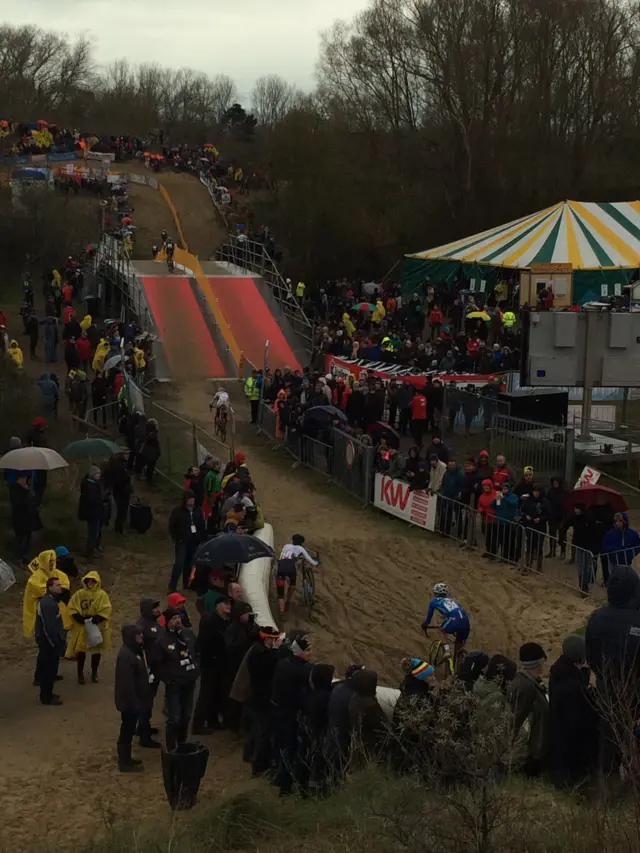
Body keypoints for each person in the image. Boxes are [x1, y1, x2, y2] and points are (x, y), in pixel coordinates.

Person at [547, 634, 598, 789]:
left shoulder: (559, 672)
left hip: (558, 742)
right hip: (572, 749)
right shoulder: (574, 687)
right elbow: (582, 717)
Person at [271, 630, 313, 795]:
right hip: (292, 713)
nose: (311, 654)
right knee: (292, 749)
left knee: (282, 746)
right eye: (308, 651)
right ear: (301, 653)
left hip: (280, 710)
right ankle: (287, 785)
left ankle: (281, 779)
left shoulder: (283, 664)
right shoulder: (302, 670)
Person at [152, 607, 200, 750]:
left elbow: (197, 651)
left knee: (186, 715)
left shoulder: (188, 634)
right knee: (174, 717)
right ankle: (171, 747)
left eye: (178, 617)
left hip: (189, 681)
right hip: (174, 684)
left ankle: (182, 743)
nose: (178, 620)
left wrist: (196, 668)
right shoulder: (162, 641)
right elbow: (156, 663)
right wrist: (167, 679)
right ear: (167, 622)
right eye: (173, 619)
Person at [507, 642, 549, 776]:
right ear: (536, 664)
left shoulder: (530, 682)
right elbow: (516, 720)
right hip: (527, 755)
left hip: (532, 751)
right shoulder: (525, 687)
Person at [192, 595, 232, 734]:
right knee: (206, 694)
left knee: (217, 693)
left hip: (220, 662)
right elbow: (204, 642)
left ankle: (212, 720)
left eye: (229, 604)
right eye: (225, 603)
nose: (228, 606)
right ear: (217, 606)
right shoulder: (210, 621)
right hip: (210, 663)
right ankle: (198, 724)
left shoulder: (225, 621)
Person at [114, 625, 151, 772]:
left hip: (133, 700)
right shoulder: (127, 655)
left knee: (128, 730)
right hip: (129, 702)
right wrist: (134, 702)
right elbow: (126, 683)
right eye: (138, 635)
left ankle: (126, 758)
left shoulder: (133, 652)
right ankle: (124, 762)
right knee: (127, 730)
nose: (141, 637)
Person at [66, 571, 112, 684]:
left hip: (96, 626)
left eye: (93, 581)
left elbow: (107, 608)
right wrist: (78, 618)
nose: (91, 583)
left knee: (96, 650)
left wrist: (98, 617)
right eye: (88, 581)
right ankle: (80, 675)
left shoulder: (102, 594)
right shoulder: (79, 594)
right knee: (81, 650)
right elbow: (72, 606)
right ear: (85, 581)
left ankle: (94, 673)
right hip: (82, 625)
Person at [422, 583, 470, 669]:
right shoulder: (452, 601)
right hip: (465, 621)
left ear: (435, 593)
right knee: (459, 646)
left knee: (441, 630)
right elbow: (454, 612)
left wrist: (425, 624)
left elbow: (429, 617)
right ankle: (461, 665)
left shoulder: (434, 601)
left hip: (454, 619)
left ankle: (447, 651)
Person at [34, 577, 67, 706]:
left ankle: (48, 693)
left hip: (50, 641)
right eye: (57, 585)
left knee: (50, 669)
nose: (60, 587)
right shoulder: (48, 604)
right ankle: (46, 697)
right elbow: (48, 627)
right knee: (48, 670)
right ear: (49, 587)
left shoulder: (51, 601)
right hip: (48, 643)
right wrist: (56, 644)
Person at [168, 489, 206, 593]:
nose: (191, 501)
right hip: (182, 541)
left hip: (193, 541)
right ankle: (172, 585)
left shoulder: (198, 511)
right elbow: (172, 525)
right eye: (189, 499)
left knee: (189, 563)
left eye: (192, 499)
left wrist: (200, 537)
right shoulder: (177, 511)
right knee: (179, 563)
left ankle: (187, 583)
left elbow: (201, 525)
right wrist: (175, 538)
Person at [136, 598, 162, 748]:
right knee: (145, 702)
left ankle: (143, 727)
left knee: (149, 700)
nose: (158, 610)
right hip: (147, 670)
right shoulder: (143, 626)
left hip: (154, 668)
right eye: (155, 608)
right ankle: (144, 736)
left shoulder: (153, 624)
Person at [348, 668, 386, 766]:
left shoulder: (356, 697)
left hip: (358, 741)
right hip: (369, 746)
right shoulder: (370, 705)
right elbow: (383, 726)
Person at [276, 533, 319, 615]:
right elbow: (310, 560)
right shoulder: (301, 548)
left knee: (280, 592)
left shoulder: (286, 546)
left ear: (292, 540)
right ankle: (287, 601)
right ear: (301, 543)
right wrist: (316, 563)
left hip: (281, 566)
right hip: (291, 568)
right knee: (292, 585)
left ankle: (282, 610)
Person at [9, 472, 42, 564]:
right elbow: (18, 503)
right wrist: (26, 492)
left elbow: (32, 501)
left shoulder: (27, 488)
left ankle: (25, 556)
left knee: (27, 538)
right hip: (20, 518)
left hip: (28, 518)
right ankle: (18, 557)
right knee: (21, 538)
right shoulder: (15, 489)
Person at [102, 452, 132, 535]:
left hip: (118, 491)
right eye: (126, 453)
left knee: (121, 510)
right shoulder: (119, 467)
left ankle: (119, 528)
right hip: (121, 491)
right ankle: (119, 529)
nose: (128, 455)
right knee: (122, 510)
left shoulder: (117, 465)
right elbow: (120, 480)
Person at [78, 465, 104, 558]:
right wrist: (100, 501)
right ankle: (90, 553)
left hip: (94, 512)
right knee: (93, 533)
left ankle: (92, 551)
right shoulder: (90, 486)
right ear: (93, 474)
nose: (99, 476)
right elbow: (92, 500)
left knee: (94, 532)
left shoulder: (92, 484)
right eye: (98, 474)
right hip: (93, 513)